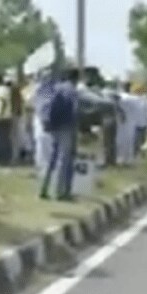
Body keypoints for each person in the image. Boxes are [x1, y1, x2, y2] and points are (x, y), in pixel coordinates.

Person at [39, 68, 81, 200]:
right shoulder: (72, 90)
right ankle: (61, 192)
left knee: (50, 159)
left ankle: (43, 189)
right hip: (66, 127)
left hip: (52, 126)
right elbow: (74, 109)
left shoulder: (55, 88)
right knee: (64, 160)